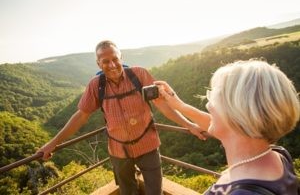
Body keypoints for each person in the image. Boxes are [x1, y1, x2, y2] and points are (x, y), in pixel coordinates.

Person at [37, 40, 205, 195]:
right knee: (127, 192)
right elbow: (81, 116)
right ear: (98, 63)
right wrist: (53, 143)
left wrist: (189, 125)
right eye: (105, 61)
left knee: (155, 191)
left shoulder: (140, 75)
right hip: (119, 152)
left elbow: (163, 106)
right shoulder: (96, 85)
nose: (112, 65)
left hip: (148, 146)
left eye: (115, 59)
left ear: (121, 57)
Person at [155, 60, 300, 194]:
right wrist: (180, 106)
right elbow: (224, 126)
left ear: (237, 113)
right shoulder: (278, 155)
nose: (208, 104)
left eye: (213, 97)